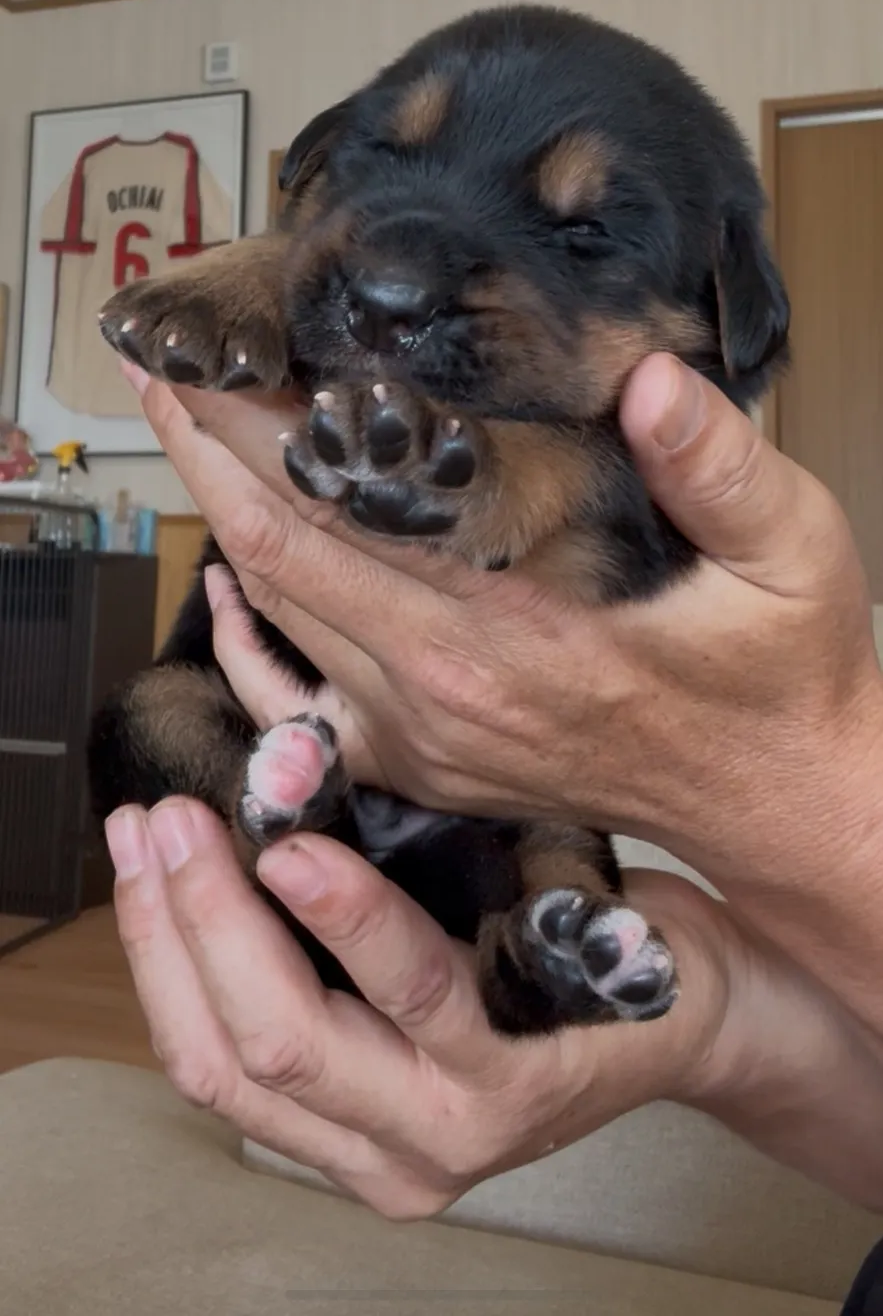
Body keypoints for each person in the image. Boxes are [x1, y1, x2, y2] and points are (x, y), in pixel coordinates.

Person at [106, 353, 883, 1306]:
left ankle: (545, 933)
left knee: (547, 837)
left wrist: (792, 790)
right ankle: (295, 822)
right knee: (146, 722)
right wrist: (719, 1015)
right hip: (286, 770)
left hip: (459, 846)